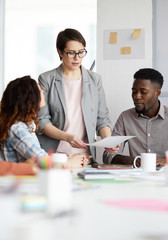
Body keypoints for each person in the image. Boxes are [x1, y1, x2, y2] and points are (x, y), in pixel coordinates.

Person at [37, 28, 118, 162]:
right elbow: (42, 121)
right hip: (55, 156)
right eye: (71, 53)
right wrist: (67, 137)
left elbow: (102, 118)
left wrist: (108, 141)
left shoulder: (94, 80)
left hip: (85, 157)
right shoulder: (46, 79)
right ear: (60, 52)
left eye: (81, 52)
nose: (77, 58)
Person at [0, 76, 90, 168]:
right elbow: (42, 160)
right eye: (40, 90)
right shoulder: (17, 129)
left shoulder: (26, 125)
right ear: (29, 98)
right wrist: (70, 163)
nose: (43, 92)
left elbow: (40, 157)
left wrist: (70, 158)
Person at [103, 68, 168, 167]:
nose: (137, 96)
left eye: (143, 92)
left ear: (157, 92)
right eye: (134, 91)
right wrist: (134, 160)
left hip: (167, 177)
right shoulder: (125, 117)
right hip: (135, 178)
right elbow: (108, 156)